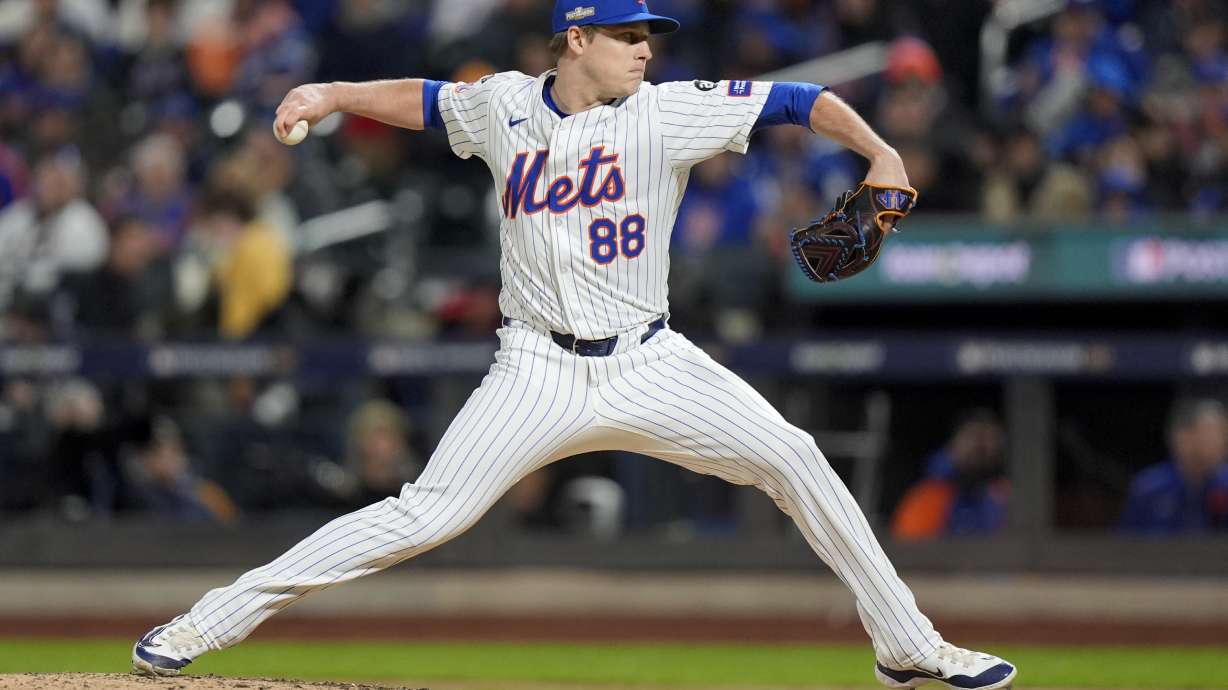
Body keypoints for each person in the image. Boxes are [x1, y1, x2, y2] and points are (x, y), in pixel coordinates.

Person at [131, 3, 1017, 689]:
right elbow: (427, 101)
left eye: (650, 36)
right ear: (577, 38)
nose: (646, 50)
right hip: (537, 366)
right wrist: (329, 95)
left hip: (650, 358)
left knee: (795, 457)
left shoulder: (666, 113)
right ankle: (206, 623)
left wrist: (880, 150)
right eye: (629, 35)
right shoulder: (506, 106)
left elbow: (801, 100)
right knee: (423, 515)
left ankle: (908, 647)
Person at [892, 409, 1010, 541]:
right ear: (953, 444)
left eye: (989, 439)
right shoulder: (929, 495)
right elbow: (907, 545)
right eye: (973, 437)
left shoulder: (1006, 496)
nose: (980, 446)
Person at [1120, 398, 1228, 533]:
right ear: (1184, 437)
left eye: (1223, 435)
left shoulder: (1225, 485)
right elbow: (1125, 544)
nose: (1222, 443)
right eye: (1212, 434)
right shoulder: (1149, 487)